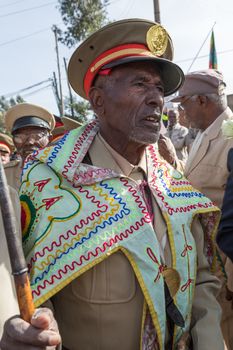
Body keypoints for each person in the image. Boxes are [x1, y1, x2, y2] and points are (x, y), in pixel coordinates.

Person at [0, 19, 224, 350]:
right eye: (139, 84)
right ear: (98, 100)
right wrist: (14, 330)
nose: (156, 100)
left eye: (160, 89)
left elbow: (203, 281)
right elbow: (12, 289)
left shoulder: (173, 185)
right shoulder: (40, 183)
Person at [171, 69, 233, 350]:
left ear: (202, 101)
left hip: (225, 265)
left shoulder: (229, 138)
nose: (182, 112)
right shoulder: (204, 135)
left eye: (184, 104)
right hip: (206, 261)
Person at [4, 103, 55, 190]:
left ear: (49, 139)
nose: (29, 142)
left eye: (37, 136)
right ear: (14, 141)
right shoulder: (4, 175)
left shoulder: (64, 172)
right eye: (21, 137)